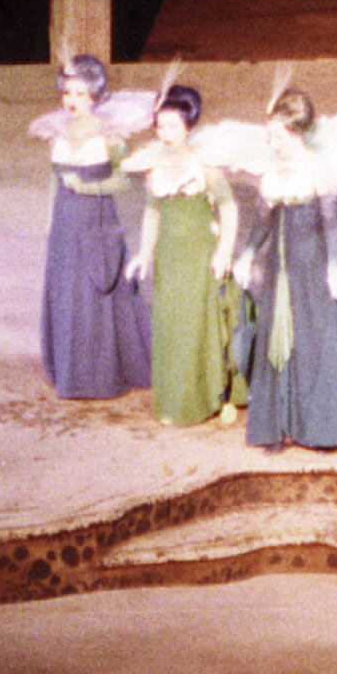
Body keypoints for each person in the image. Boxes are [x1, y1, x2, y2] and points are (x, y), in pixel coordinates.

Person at [233, 88, 337, 452]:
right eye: (270, 138)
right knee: (277, 341)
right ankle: (280, 425)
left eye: (277, 138)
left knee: (312, 342)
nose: (272, 145)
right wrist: (246, 254)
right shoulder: (272, 176)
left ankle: (318, 428)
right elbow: (262, 224)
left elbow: (331, 227)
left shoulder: (319, 172)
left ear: (296, 133)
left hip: (311, 269)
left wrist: (334, 270)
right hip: (280, 272)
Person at [28, 54, 153, 399]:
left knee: (94, 292)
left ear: (95, 96)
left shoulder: (112, 137)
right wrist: (50, 220)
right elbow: (55, 180)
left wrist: (87, 188)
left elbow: (124, 183)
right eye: (67, 93)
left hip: (96, 220)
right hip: (65, 223)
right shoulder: (56, 132)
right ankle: (69, 370)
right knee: (67, 294)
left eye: (80, 94)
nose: (72, 101)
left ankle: (99, 375)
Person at [123, 84, 248, 426]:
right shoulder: (154, 167)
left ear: (188, 127)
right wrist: (144, 254)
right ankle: (175, 400)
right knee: (171, 323)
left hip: (200, 254)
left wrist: (224, 251)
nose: (165, 134)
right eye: (160, 126)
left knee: (197, 323)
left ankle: (208, 395)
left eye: (172, 126)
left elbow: (229, 209)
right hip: (169, 257)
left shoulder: (205, 166)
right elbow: (152, 213)